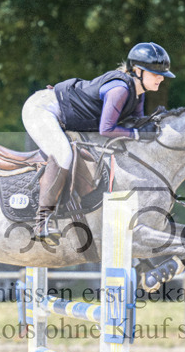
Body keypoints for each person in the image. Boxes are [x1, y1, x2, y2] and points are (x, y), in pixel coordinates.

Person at [21, 42, 175, 243]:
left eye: (161, 74)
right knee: (62, 154)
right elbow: (107, 129)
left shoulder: (138, 94)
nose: (161, 78)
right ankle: (41, 221)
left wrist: (155, 125)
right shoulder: (120, 90)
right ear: (137, 71)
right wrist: (137, 134)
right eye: (155, 73)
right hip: (42, 109)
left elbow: (133, 124)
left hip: (63, 115)